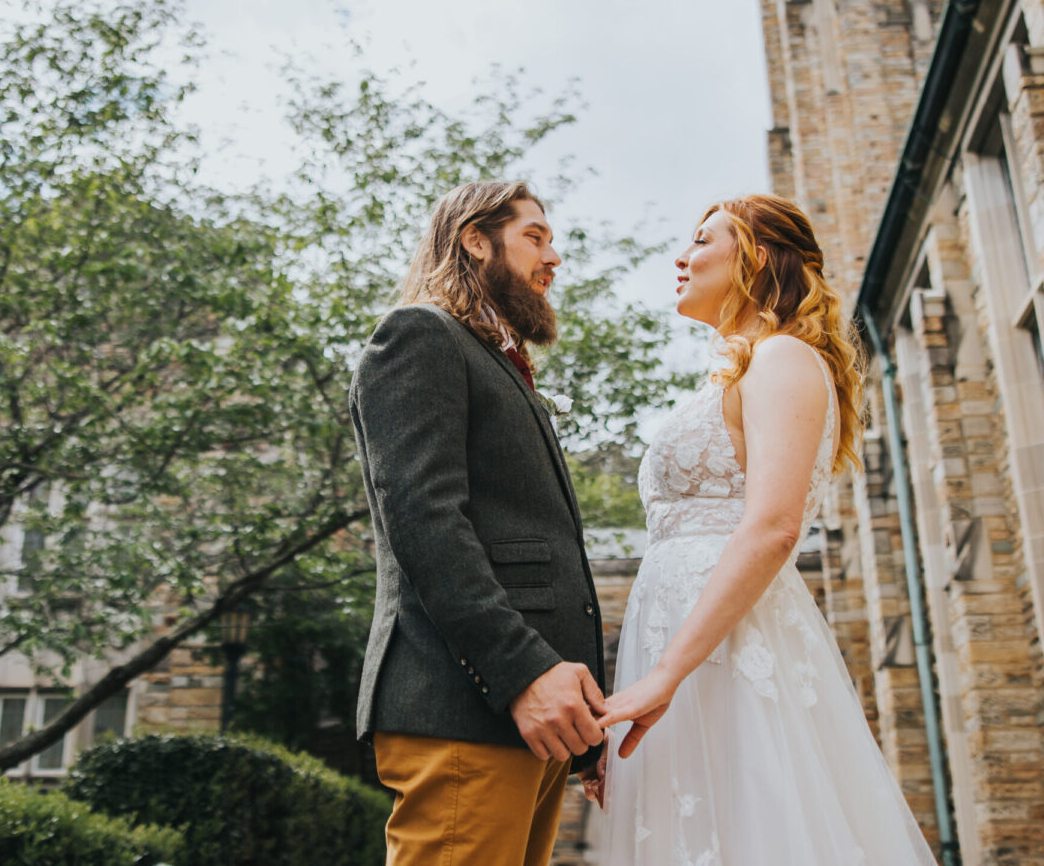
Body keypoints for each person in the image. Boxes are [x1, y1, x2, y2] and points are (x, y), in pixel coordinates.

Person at [590, 194, 938, 866]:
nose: (680, 257)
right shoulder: (746, 367)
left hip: (729, 645)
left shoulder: (783, 358)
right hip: (688, 649)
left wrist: (666, 674)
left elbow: (775, 527)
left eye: (700, 240)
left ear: (757, 258)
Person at [349, 180, 608, 866]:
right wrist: (524, 673)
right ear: (475, 238)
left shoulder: (503, 365)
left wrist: (586, 736)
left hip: (532, 721)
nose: (553, 257)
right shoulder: (419, 335)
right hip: (466, 704)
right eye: (535, 236)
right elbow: (425, 520)